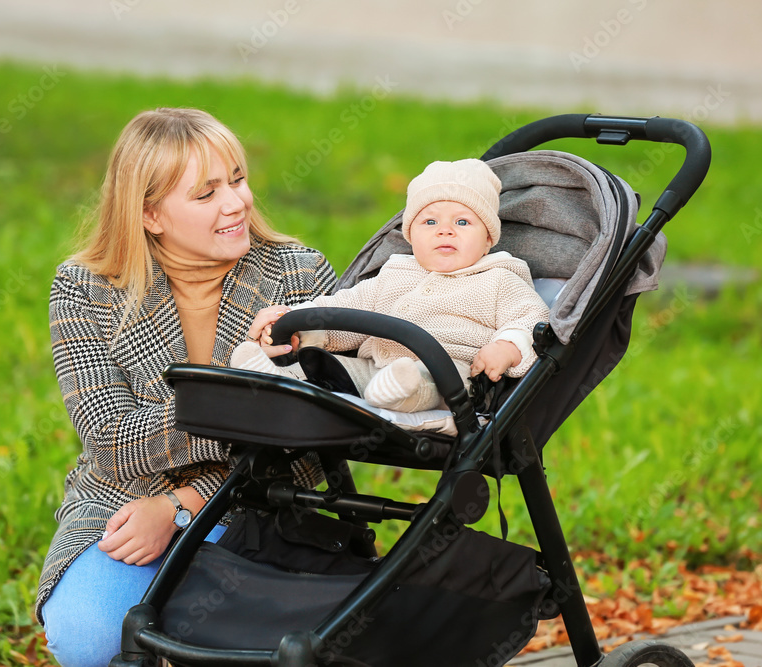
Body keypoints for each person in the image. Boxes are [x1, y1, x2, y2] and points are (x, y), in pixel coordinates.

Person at [36, 107, 336, 667]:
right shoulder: (85, 290)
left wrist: (181, 505)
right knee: (88, 637)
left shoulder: (297, 273)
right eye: (206, 193)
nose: (236, 203)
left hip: (259, 506)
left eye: (238, 180)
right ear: (150, 214)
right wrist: (249, 402)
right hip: (121, 506)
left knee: (227, 639)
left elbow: (321, 441)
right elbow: (113, 443)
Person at [231, 158, 550, 413]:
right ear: (411, 237)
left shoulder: (499, 278)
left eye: (462, 222)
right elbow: (347, 308)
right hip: (374, 370)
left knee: (421, 379)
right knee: (331, 367)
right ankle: (278, 378)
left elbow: (530, 318)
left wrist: (506, 348)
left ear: (488, 240)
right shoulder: (393, 275)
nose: (445, 231)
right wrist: (298, 322)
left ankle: (400, 389)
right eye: (430, 222)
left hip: (448, 378)